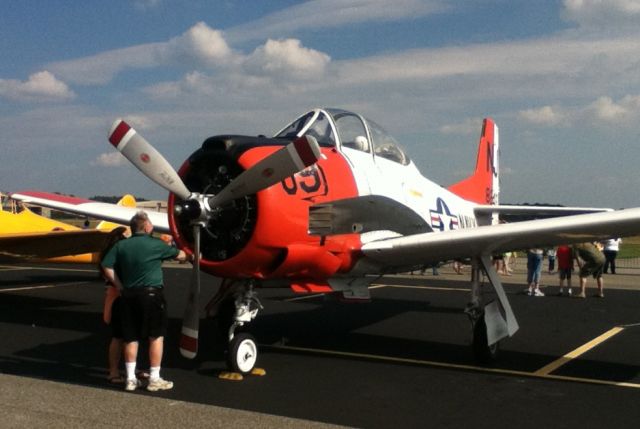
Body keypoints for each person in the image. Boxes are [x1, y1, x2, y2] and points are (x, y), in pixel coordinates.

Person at [101, 211, 191, 392]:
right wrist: (193, 254)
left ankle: (130, 379)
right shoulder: (156, 245)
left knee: (130, 338)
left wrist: (119, 285)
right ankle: (155, 378)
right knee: (156, 337)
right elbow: (180, 255)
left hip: (128, 296)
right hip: (151, 296)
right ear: (147, 226)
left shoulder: (121, 246)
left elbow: (106, 265)